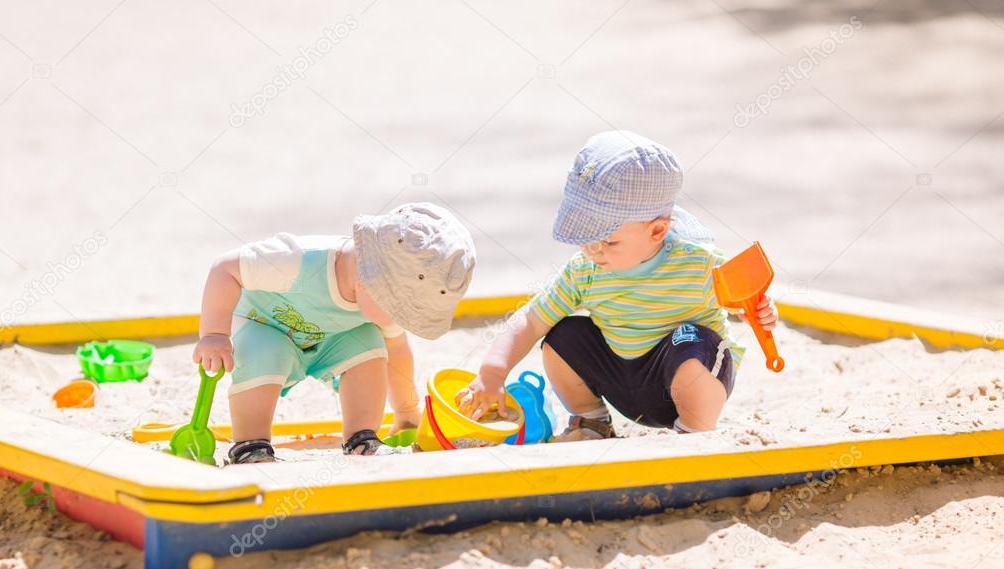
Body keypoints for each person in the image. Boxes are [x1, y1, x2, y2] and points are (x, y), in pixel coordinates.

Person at [457, 130, 777, 440]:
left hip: (686, 380)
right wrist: (494, 371)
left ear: (657, 231)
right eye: (586, 237)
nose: (593, 250)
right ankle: (591, 420)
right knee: (562, 335)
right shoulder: (584, 270)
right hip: (623, 382)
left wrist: (759, 312)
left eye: (608, 241)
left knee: (692, 340)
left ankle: (692, 433)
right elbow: (530, 320)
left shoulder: (699, 263)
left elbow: (744, 305)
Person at [194, 202, 476, 462]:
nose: (400, 321)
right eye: (400, 312)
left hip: (329, 338)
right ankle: (251, 444)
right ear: (369, 284)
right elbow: (225, 269)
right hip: (264, 325)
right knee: (264, 352)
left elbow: (397, 352)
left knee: (370, 342)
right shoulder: (296, 261)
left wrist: (405, 411)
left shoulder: (377, 301)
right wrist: (214, 334)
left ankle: (361, 437)